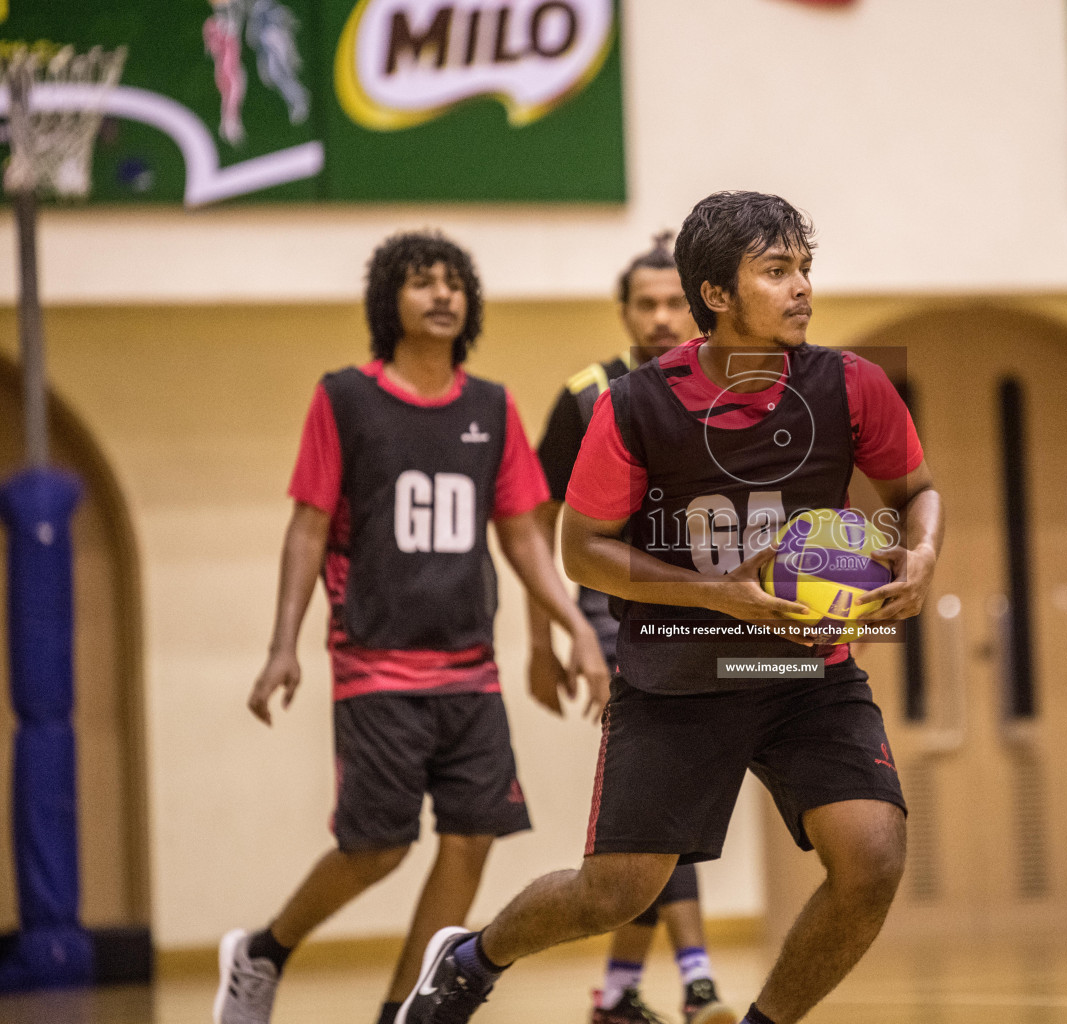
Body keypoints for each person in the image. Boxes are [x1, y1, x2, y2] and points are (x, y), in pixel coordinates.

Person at [395, 191, 943, 1024]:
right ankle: (470, 959)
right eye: (776, 272)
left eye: (804, 270)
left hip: (807, 672)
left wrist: (923, 552)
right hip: (679, 677)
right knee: (614, 893)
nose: (801, 289)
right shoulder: (636, 405)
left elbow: (918, 490)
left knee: (872, 859)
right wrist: (720, 594)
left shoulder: (851, 385)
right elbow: (584, 549)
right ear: (717, 294)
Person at [214, 231, 610, 1024]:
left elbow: (525, 533)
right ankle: (264, 952)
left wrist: (576, 626)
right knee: (379, 848)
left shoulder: (491, 405)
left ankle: (407, 1010)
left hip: (470, 666)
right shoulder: (345, 398)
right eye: (422, 281)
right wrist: (281, 647)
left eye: (454, 282)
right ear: (387, 300)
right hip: (375, 663)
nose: (442, 295)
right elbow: (307, 526)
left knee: (473, 836)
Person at [528, 233, 735, 1024]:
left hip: (714, 618)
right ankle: (698, 982)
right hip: (618, 625)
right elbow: (534, 527)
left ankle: (617, 994)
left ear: (700, 304)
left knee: (663, 807)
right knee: (667, 797)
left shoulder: (732, 389)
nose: (659, 318)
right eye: (644, 304)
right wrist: (549, 638)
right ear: (623, 312)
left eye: (672, 303)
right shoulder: (589, 396)